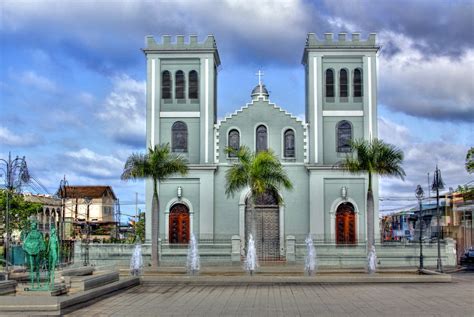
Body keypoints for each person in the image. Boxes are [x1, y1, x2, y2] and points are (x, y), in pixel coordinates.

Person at [23, 219, 45, 288]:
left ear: (35, 226)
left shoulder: (38, 234)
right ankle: (32, 282)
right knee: (32, 266)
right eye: (32, 225)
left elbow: (41, 241)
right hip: (31, 250)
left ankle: (38, 282)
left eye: (34, 225)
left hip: (37, 250)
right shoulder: (29, 234)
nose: (32, 226)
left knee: (37, 266)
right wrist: (27, 245)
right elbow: (25, 242)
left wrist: (42, 247)